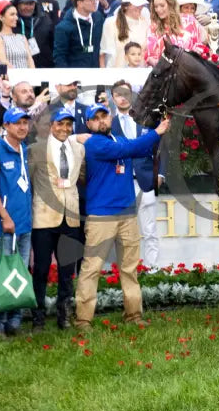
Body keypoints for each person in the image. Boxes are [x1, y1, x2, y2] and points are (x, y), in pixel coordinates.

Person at [73, 103, 170, 330]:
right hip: (101, 216)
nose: (101, 121)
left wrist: (159, 129)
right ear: (88, 124)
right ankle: (83, 319)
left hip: (127, 214)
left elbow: (139, 149)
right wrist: (157, 132)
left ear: (110, 118)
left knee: (129, 267)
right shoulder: (94, 143)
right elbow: (129, 149)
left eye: (104, 116)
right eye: (95, 118)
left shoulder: (119, 140)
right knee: (92, 268)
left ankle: (133, 315)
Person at [29, 107, 85, 330]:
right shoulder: (36, 149)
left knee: (67, 271)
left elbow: (82, 176)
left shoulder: (79, 149)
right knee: (41, 269)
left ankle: (64, 315)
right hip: (44, 218)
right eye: (60, 124)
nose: (64, 128)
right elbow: (29, 181)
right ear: (51, 125)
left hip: (70, 218)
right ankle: (38, 317)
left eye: (68, 125)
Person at [0, 106, 33, 337]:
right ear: (6, 126)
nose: (22, 127)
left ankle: (14, 321)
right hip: (3, 226)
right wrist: (4, 216)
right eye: (17, 123)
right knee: (1, 274)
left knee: (19, 275)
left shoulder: (24, 149)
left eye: (25, 123)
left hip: (23, 224)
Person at [111, 80, 165, 269]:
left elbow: (161, 147)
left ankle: (153, 269)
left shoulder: (146, 119)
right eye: (118, 94)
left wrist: (161, 174)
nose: (123, 98)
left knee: (150, 230)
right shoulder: (109, 123)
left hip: (146, 180)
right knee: (123, 233)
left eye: (126, 93)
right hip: (120, 184)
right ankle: (127, 271)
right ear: (113, 98)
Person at [53, 0, 105, 69]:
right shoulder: (63, 28)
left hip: (96, 73)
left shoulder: (98, 18)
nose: (95, 2)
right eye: (91, 0)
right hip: (74, 75)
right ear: (80, 3)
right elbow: (59, 57)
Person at [101, 0, 150, 68]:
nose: (140, 7)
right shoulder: (111, 23)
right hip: (116, 74)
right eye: (136, 4)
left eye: (141, 4)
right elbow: (103, 54)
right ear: (126, 6)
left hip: (140, 74)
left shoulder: (145, 23)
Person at [144, 0, 189, 66]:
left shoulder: (188, 21)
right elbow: (150, 55)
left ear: (171, 4)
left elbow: (199, 47)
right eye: (156, 6)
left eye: (162, 5)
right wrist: (156, 62)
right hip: (163, 70)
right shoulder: (153, 28)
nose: (158, 10)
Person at [12, 0, 54, 69]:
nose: (28, 7)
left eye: (31, 3)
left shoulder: (45, 20)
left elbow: (53, 46)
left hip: (44, 69)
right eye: (24, 3)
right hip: (18, 70)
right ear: (17, 4)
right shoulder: (10, 22)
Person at [0, 0, 35, 70]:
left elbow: (30, 60)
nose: (16, 18)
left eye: (16, 14)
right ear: (1, 17)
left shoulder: (22, 37)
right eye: (12, 14)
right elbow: (3, 62)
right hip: (11, 75)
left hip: (27, 75)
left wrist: (32, 74)